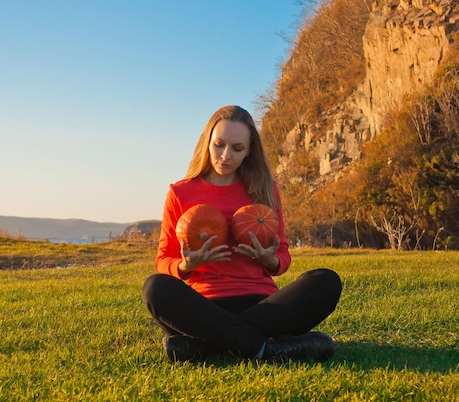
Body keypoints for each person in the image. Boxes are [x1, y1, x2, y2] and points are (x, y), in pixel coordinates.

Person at [142, 105, 342, 362]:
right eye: (219, 145)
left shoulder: (265, 189)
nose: (226, 156)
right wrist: (186, 265)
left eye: (237, 149)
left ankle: (205, 345)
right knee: (155, 288)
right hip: (204, 307)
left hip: (262, 304)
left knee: (326, 282)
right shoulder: (180, 193)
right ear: (207, 143)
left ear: (249, 151)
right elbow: (163, 260)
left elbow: (282, 256)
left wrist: (270, 260)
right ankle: (266, 349)